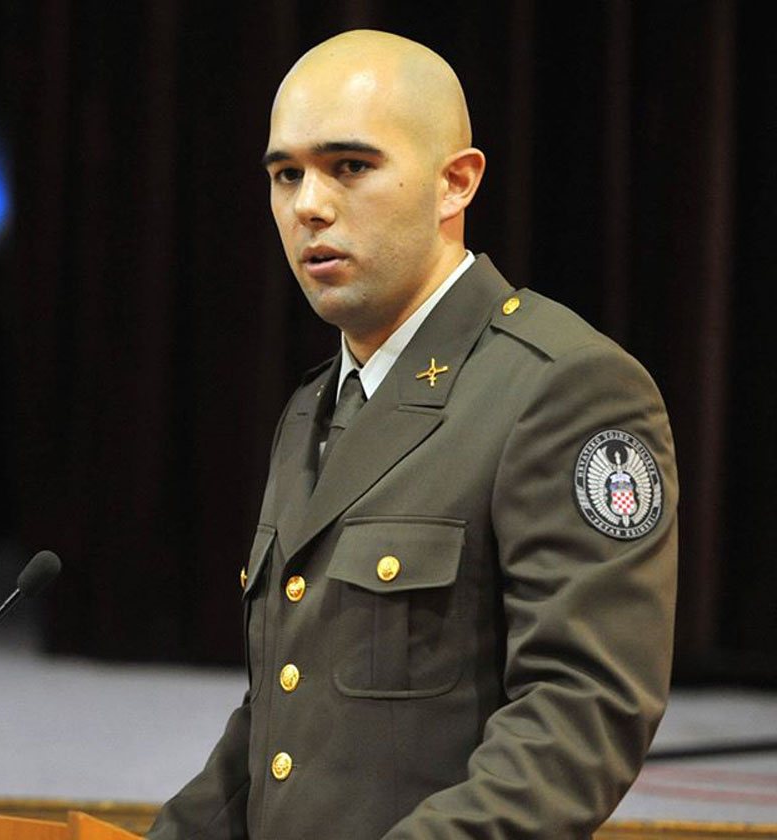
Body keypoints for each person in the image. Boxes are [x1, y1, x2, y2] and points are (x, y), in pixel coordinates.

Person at [147, 30, 678, 839]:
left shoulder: (562, 387)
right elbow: (281, 726)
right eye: (286, 174)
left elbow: (579, 719)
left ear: (454, 183)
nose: (309, 205)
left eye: (349, 166)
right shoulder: (315, 406)